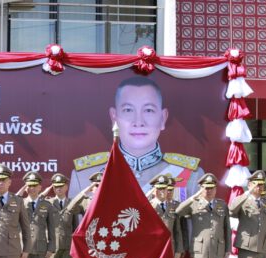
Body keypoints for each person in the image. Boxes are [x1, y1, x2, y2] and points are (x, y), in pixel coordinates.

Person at [69, 76, 204, 201]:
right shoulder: (84, 175)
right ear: (114, 117)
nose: (138, 122)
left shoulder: (191, 175)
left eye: (148, 110)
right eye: (128, 110)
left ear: (163, 118)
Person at [175, 173, 230, 258]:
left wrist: (228, 248)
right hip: (200, 250)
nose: (209, 191)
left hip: (218, 249)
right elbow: (178, 211)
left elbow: (227, 228)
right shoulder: (194, 204)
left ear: (215, 189)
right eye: (206, 188)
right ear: (201, 188)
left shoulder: (222, 205)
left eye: (211, 188)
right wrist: (193, 197)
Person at [17, 171, 56, 258]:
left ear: (40, 187)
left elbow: (52, 228)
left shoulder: (48, 205)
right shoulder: (20, 203)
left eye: (35, 185)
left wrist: (51, 248)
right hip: (23, 249)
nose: (32, 188)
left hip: (40, 249)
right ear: (25, 187)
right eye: (29, 185)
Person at [148, 174, 184, 258]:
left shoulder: (172, 207)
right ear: (154, 190)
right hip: (153, 252)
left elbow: (177, 231)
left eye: (164, 188)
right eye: (159, 189)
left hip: (169, 250)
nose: (162, 192)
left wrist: (178, 251)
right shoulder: (148, 206)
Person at [44, 173, 79, 258]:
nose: (58, 188)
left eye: (61, 186)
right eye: (56, 186)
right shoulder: (48, 203)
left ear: (66, 187)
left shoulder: (72, 203)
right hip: (52, 248)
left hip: (67, 247)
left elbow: (75, 226)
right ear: (53, 188)